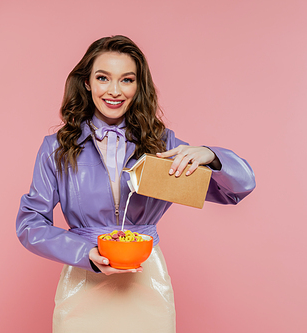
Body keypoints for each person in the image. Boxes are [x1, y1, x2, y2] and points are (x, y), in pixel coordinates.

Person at [16, 35, 255, 332]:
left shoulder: (162, 145)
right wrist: (84, 253)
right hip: (83, 278)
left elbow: (239, 188)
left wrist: (212, 156)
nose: (114, 91)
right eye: (103, 78)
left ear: (138, 86)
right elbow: (30, 224)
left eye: (126, 80)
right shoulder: (56, 148)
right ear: (87, 82)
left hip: (147, 282)